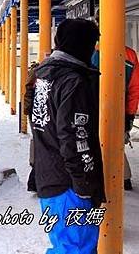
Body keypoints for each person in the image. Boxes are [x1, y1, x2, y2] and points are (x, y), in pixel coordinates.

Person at [30, 19, 105, 253]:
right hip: (69, 185)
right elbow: (74, 137)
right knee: (77, 248)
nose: (94, 49)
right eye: (93, 43)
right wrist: (84, 184)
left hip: (49, 177)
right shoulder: (73, 81)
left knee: (64, 245)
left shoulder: (43, 74)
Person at [92, 44, 139, 191]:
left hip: (90, 107)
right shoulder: (129, 55)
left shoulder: (87, 50)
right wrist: (129, 115)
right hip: (118, 109)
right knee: (115, 143)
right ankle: (124, 178)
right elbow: (134, 89)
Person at [24, 61, 39, 193]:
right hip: (36, 112)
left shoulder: (34, 72)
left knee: (37, 141)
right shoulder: (38, 73)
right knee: (40, 144)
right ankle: (34, 181)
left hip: (33, 111)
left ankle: (33, 182)